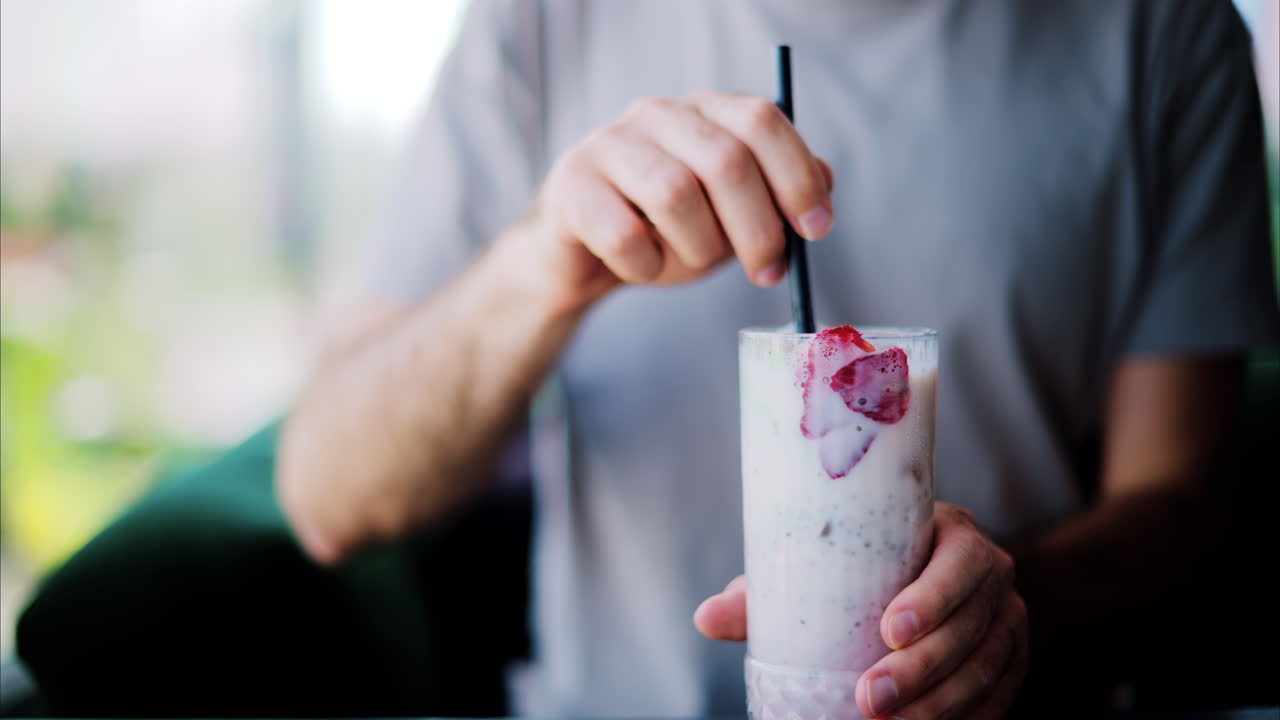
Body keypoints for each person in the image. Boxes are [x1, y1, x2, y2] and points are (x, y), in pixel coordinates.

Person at [276, 0, 1280, 717]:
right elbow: (329, 494)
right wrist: (541, 266)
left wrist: (1001, 614)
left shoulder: (1164, 29)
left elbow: (1182, 507)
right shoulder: (542, 18)